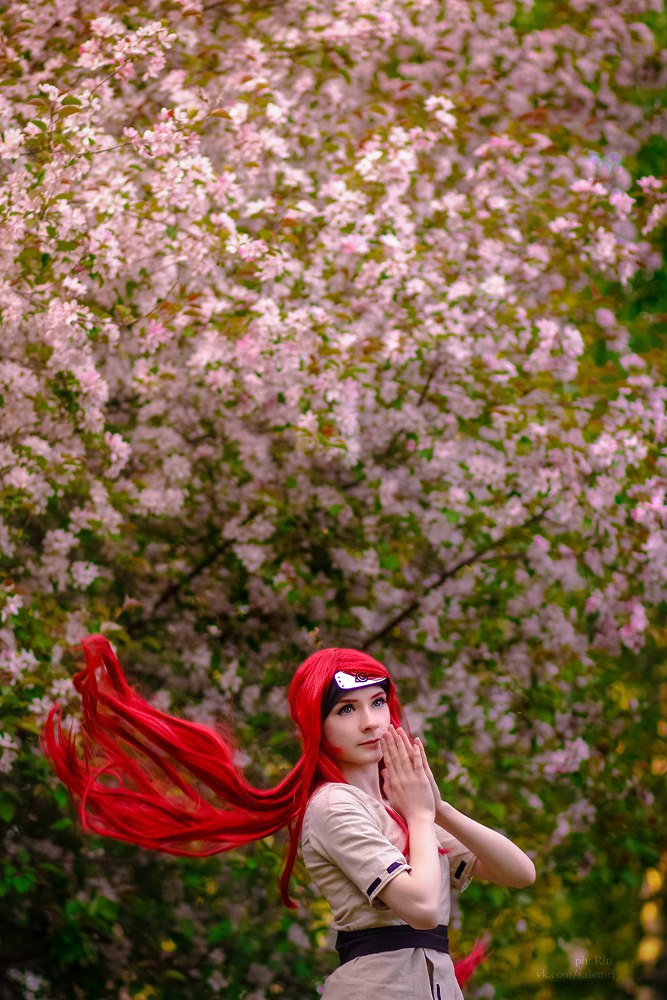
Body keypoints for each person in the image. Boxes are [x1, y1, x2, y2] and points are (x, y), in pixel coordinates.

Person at [42, 637, 536, 998]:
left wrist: (437, 807)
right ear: (317, 725)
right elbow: (423, 908)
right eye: (346, 710)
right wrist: (423, 815)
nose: (370, 722)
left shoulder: (406, 806)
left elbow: (520, 873)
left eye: (378, 703)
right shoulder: (333, 805)